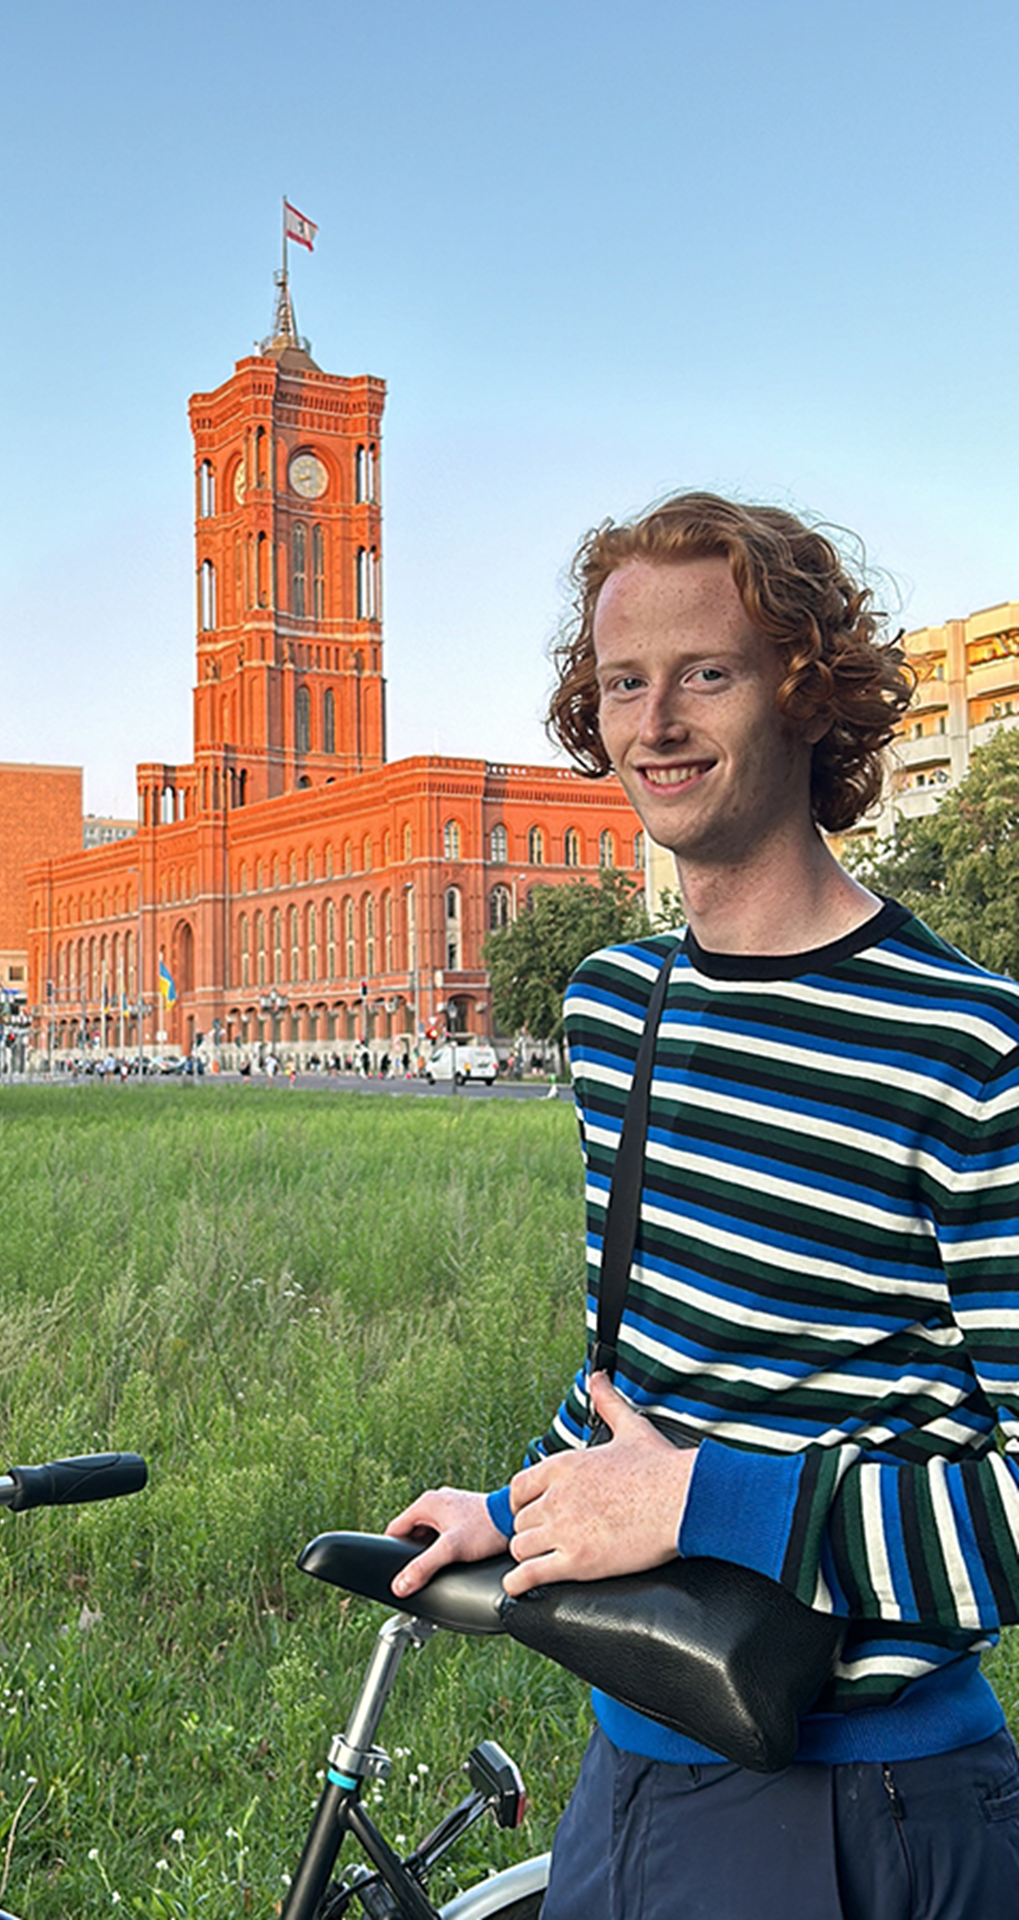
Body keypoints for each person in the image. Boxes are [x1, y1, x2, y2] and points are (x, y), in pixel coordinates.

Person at [387, 492, 1019, 1920]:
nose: (655, 721)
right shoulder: (619, 1009)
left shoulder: (970, 1049)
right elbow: (651, 1363)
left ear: (807, 692)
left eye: (705, 674)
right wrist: (515, 1509)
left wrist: (705, 1501)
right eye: (623, 683)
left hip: (865, 1807)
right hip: (631, 1770)